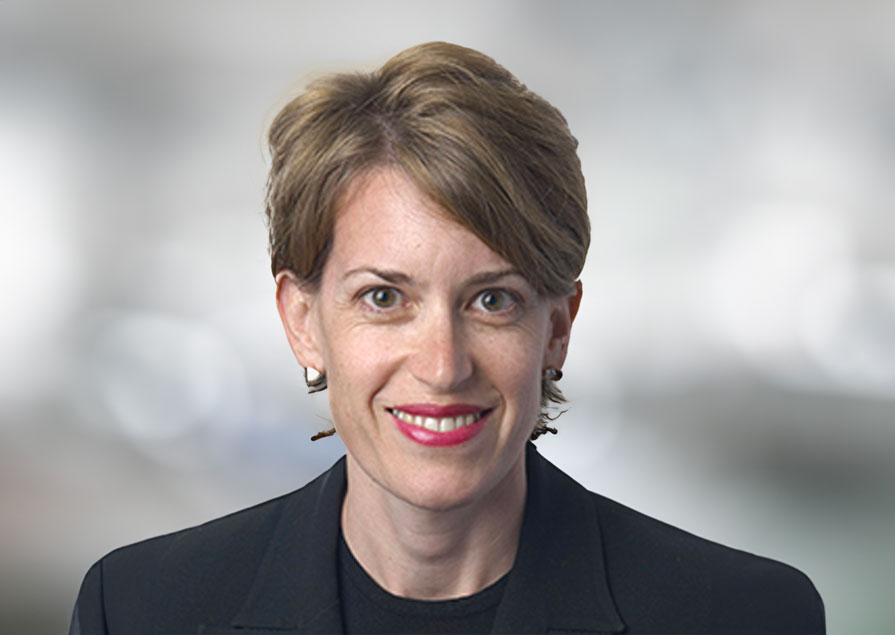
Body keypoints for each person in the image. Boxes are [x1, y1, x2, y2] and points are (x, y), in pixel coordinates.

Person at [69, 42, 825, 634]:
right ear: (303, 321)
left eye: (492, 299)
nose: (441, 365)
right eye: (385, 297)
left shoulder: (745, 616)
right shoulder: (137, 610)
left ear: (557, 327)